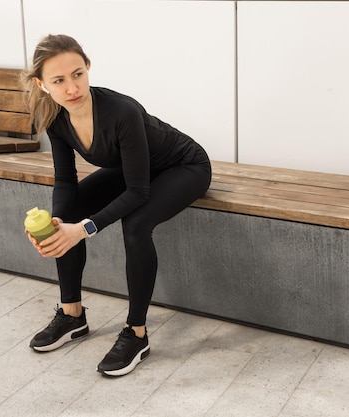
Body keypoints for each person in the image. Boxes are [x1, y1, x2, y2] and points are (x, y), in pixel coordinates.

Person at [22, 34, 211, 376]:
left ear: (88, 67)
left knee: (136, 224)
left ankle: (136, 334)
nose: (71, 87)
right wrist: (59, 226)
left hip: (184, 167)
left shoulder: (120, 111)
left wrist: (84, 229)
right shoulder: (54, 116)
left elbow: (137, 193)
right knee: (68, 212)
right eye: (59, 80)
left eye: (77, 74)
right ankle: (72, 315)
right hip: (134, 172)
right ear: (42, 84)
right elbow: (65, 181)